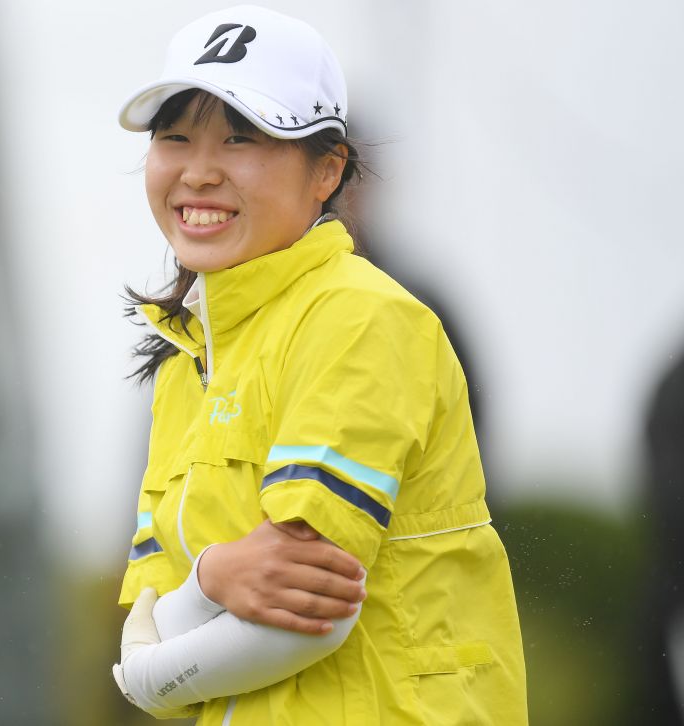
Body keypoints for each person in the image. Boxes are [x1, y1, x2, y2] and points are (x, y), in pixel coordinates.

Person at [110, 5, 527, 725]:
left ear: (327, 171)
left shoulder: (364, 318)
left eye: (242, 139)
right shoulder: (187, 360)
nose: (199, 172)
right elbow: (145, 621)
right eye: (175, 138)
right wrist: (212, 583)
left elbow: (301, 617)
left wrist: (149, 674)